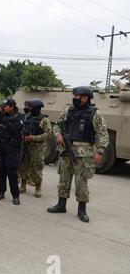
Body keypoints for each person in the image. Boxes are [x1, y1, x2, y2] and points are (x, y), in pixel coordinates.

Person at [48, 86, 109, 223]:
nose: (75, 98)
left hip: (83, 153)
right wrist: (58, 135)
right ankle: (61, 205)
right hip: (65, 151)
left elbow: (102, 134)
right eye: (74, 96)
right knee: (64, 178)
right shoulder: (67, 110)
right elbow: (57, 125)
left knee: (81, 181)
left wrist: (99, 152)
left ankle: (82, 210)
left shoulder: (94, 113)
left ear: (85, 98)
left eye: (78, 96)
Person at [0, 99, 23, 205]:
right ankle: (1, 192)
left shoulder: (18, 116)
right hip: (0, 146)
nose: (3, 107)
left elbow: (15, 129)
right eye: (3, 106)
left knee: (12, 172)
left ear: (11, 107)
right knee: (1, 170)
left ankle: (15, 196)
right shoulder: (1, 114)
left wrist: (4, 119)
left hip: (11, 148)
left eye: (5, 106)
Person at [18, 98, 52, 198]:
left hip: (37, 147)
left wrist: (34, 138)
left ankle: (38, 188)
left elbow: (48, 134)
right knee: (23, 166)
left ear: (36, 108)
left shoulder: (44, 119)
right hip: (25, 145)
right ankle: (23, 185)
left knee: (36, 168)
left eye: (30, 107)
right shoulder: (26, 117)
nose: (28, 109)